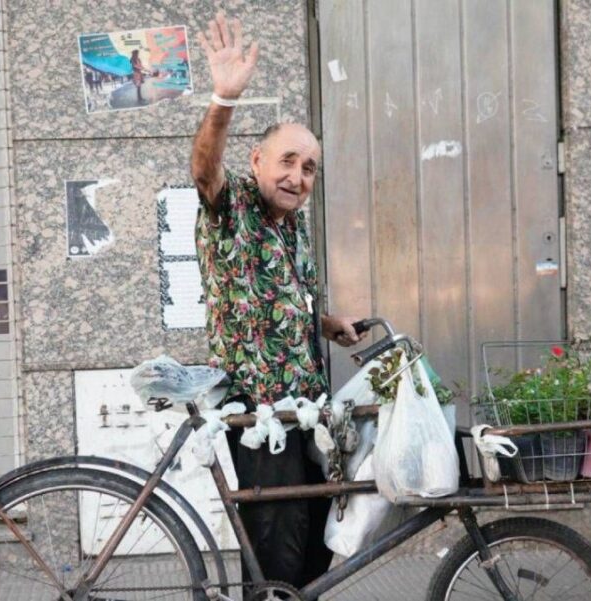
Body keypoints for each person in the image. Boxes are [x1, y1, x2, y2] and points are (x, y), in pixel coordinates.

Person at [191, 11, 363, 591]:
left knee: (312, 552)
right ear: (258, 162)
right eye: (287, 161)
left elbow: (279, 298)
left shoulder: (293, 227)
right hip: (259, 416)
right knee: (276, 557)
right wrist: (223, 98)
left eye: (309, 168)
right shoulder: (232, 206)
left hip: (304, 410)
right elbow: (203, 169)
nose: (298, 176)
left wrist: (327, 322)